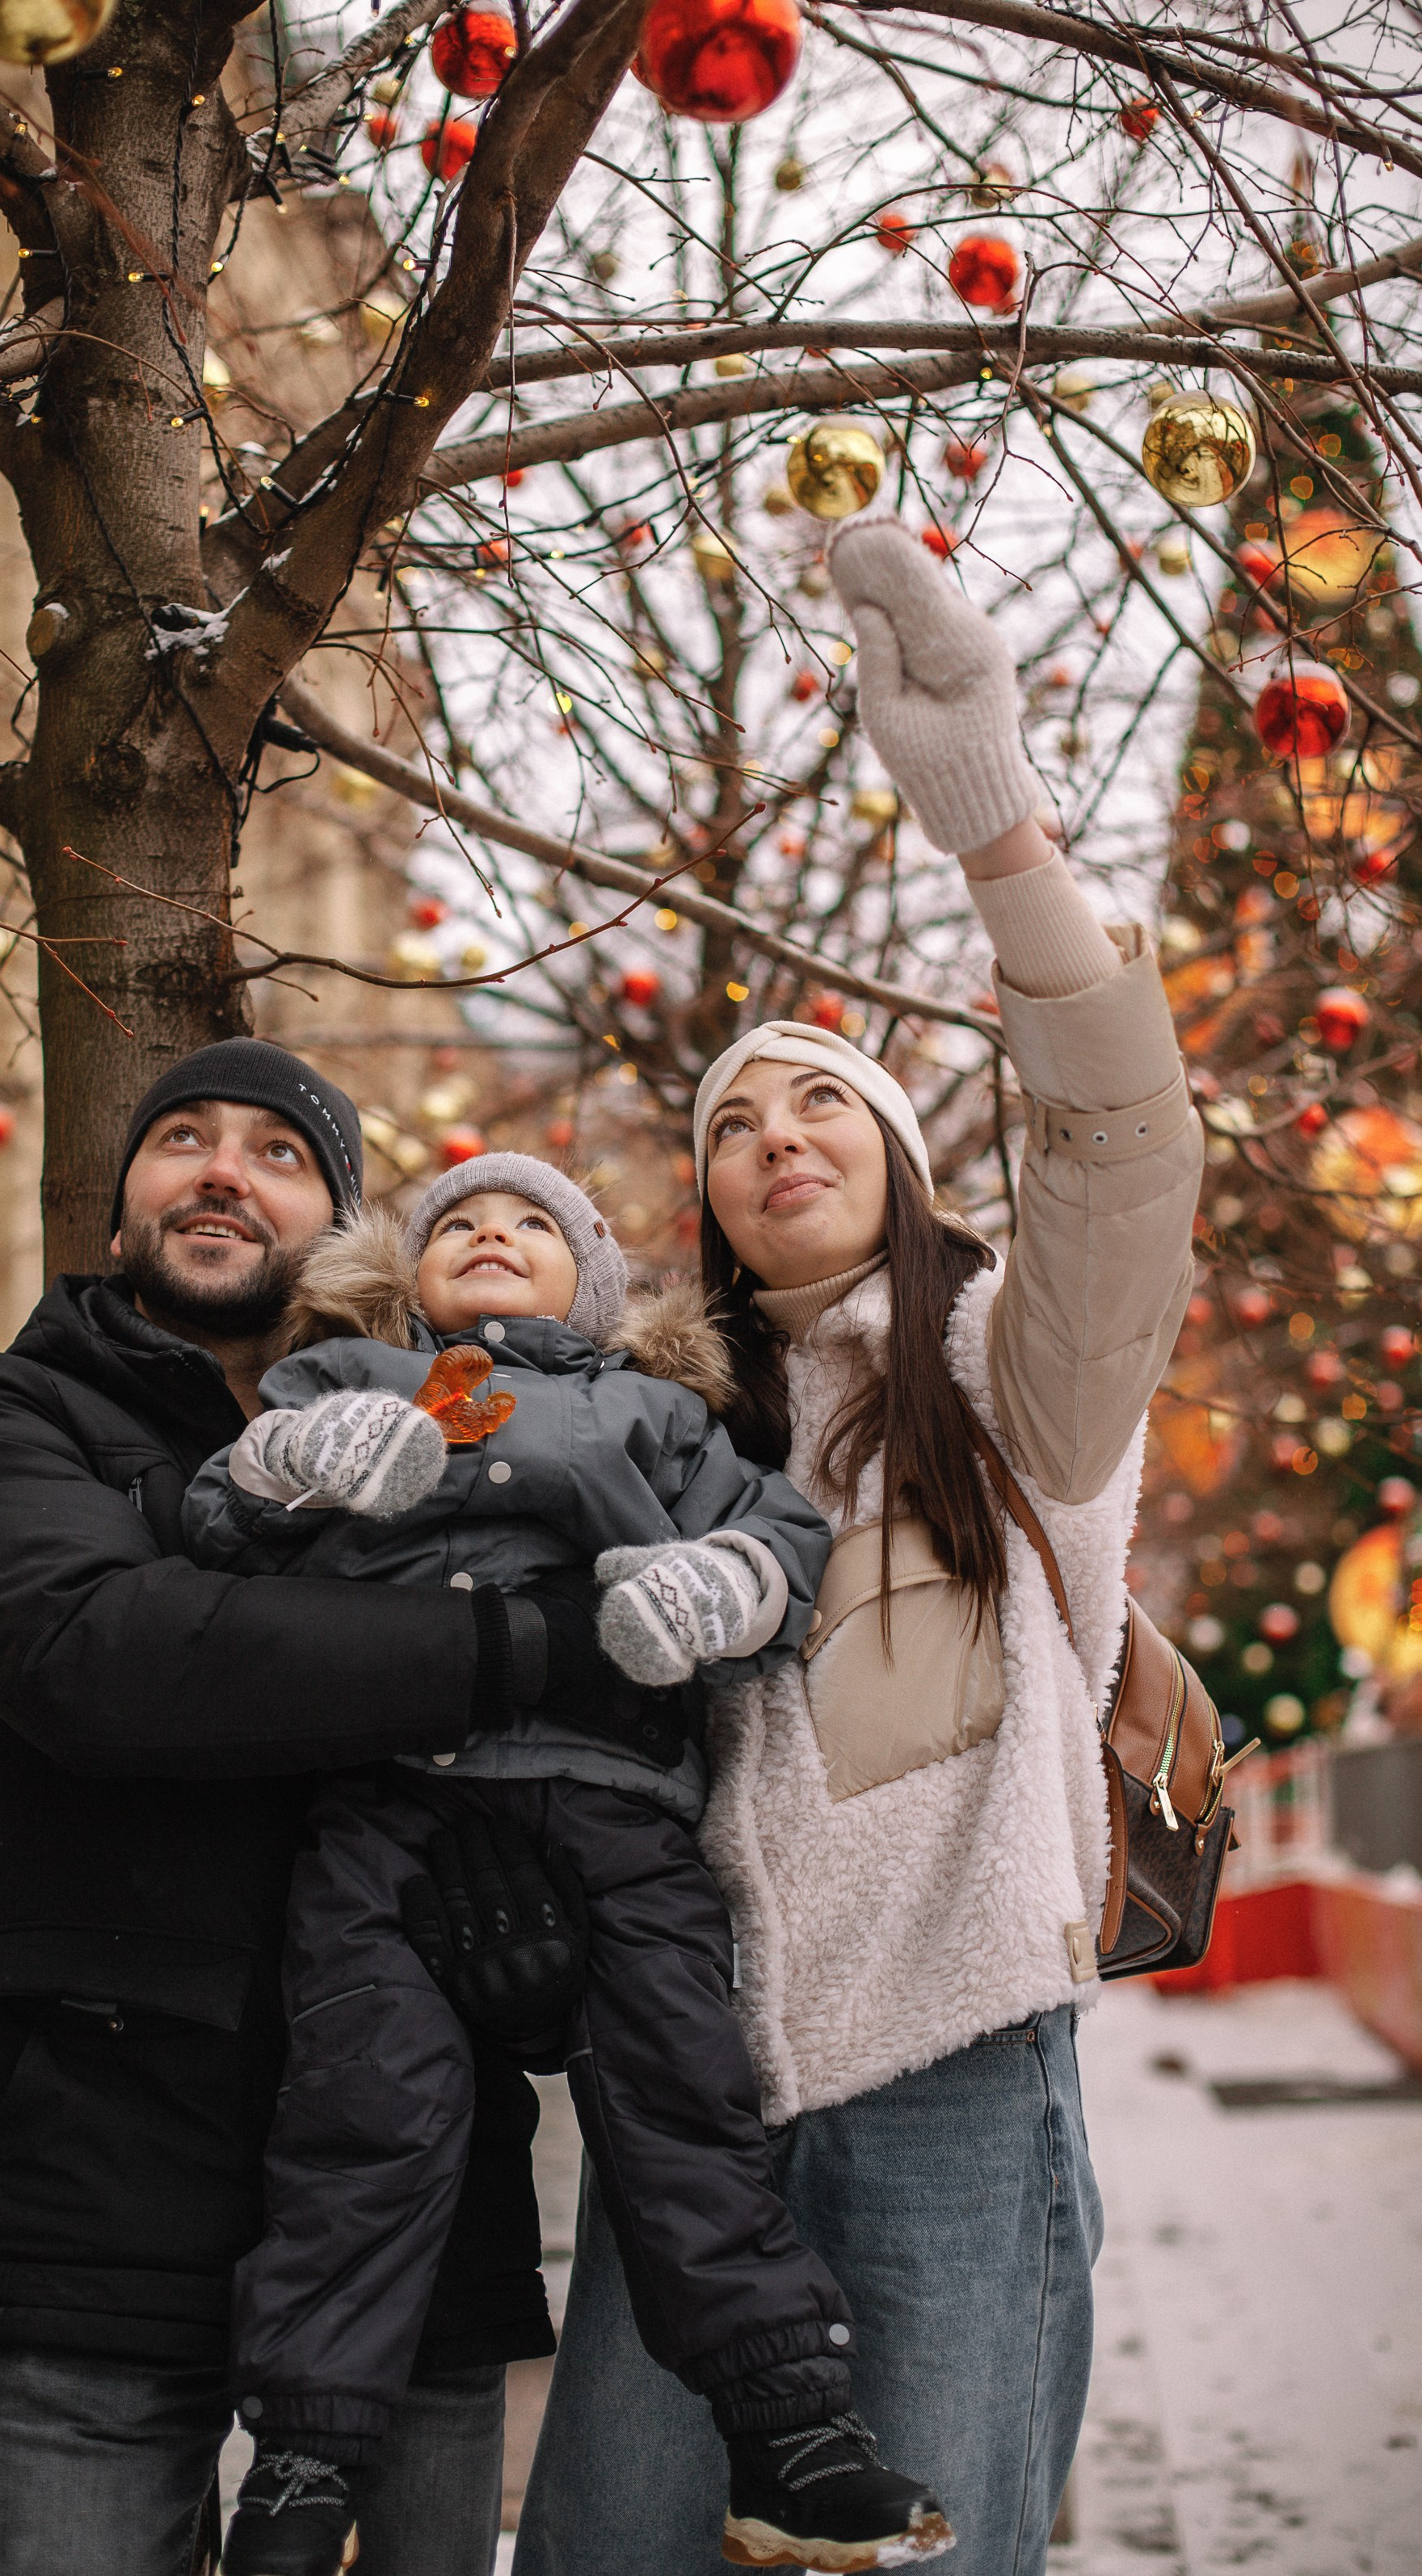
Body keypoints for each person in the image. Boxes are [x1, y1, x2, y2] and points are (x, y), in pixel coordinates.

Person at [515, 521, 1204, 2576]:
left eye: (821, 1108)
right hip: (688, 2093)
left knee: (931, 2550)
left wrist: (989, 822)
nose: (774, 1140)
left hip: (950, 2066)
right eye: (734, 1124)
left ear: (896, 1167)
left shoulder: (1009, 1374)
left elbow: (1120, 1149)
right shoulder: (650, 1425)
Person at [0, 1040, 643, 2576]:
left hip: (415, 2193)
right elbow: (105, 1659)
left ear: (341, 1233)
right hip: (97, 2180)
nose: (224, 1167)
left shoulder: (480, 1440)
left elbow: (605, 1769)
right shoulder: (1, 1416)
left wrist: (546, 1967)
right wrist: (520, 1648)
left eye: (278, 1150)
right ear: (120, 1217)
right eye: (182, 1138)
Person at [183, 1154, 955, 2576]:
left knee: (685, 2098)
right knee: (361, 2116)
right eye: (457, 1221)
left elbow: (781, 1538)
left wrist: (718, 1583)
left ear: (593, 1284)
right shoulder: (345, 1374)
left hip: (615, 1800)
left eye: (530, 1221)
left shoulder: (652, 1408)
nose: (488, 1232)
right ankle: (302, 2459)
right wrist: (288, 1465)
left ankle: (790, 2429)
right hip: (387, 1808)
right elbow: (217, 1517)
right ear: (404, 1271)